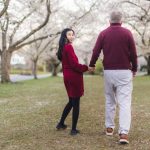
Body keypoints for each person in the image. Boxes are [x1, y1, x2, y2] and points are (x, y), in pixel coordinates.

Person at [89, 11, 137, 144]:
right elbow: (133, 53)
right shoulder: (127, 33)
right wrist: (135, 69)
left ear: (109, 21)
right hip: (124, 72)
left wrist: (92, 64)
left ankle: (109, 128)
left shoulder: (103, 33)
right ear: (121, 21)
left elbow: (96, 51)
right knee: (125, 103)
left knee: (110, 100)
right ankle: (123, 134)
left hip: (109, 72)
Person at [56, 28, 88, 135]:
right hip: (73, 78)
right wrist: (86, 68)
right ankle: (73, 129)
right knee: (76, 104)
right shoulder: (68, 47)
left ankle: (61, 123)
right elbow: (74, 65)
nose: (72, 36)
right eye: (69, 34)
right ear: (64, 36)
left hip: (67, 77)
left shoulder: (63, 47)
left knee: (71, 102)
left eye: (73, 34)